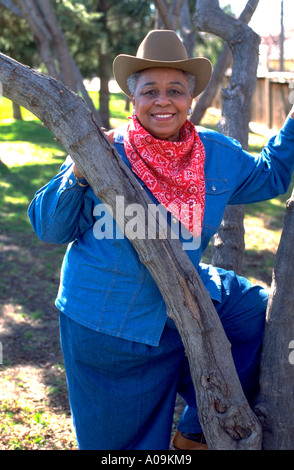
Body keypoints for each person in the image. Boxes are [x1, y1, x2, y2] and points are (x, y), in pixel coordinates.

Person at [28, 30, 294, 450]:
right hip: (107, 324)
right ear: (133, 100)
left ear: (190, 98)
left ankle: (195, 433)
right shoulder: (104, 150)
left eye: (175, 90)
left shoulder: (216, 154)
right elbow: (49, 229)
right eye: (150, 90)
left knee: (252, 313)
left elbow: (271, 174)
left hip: (183, 303)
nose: (163, 100)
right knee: (119, 449)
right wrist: (79, 170)